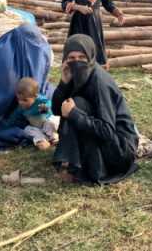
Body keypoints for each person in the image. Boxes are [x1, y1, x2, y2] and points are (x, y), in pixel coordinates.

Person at [52, 34, 139, 184]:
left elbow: (107, 131)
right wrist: (64, 83)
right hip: (106, 140)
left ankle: (87, 167)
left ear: (91, 56)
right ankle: (72, 162)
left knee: (76, 105)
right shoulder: (76, 75)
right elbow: (56, 110)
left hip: (120, 150)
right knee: (74, 104)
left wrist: (74, 114)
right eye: (71, 58)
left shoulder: (99, 82)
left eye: (81, 57)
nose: (76, 62)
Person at [5, 77, 58, 150]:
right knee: (28, 129)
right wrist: (7, 123)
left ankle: (54, 138)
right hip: (35, 126)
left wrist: (46, 107)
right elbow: (14, 116)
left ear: (35, 97)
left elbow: (49, 103)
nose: (21, 102)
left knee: (50, 124)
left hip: (44, 122)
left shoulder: (40, 101)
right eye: (19, 99)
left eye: (25, 100)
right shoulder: (21, 107)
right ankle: (42, 141)